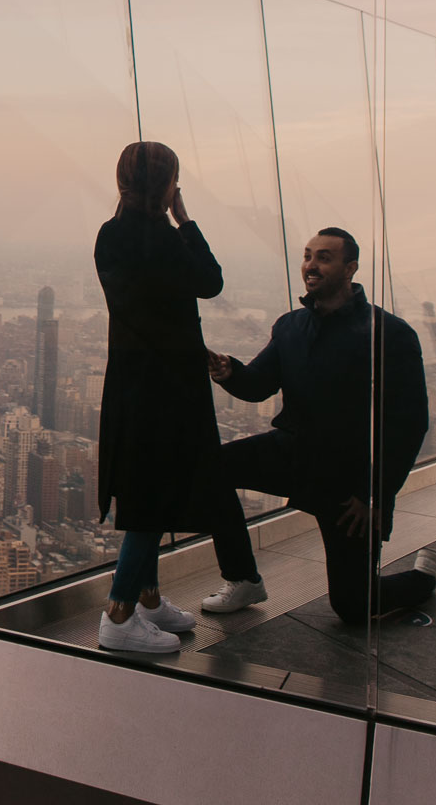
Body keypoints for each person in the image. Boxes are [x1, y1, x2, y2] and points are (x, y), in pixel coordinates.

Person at [200, 228, 436, 625]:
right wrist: (229, 371)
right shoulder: (291, 326)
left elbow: (409, 424)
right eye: (308, 255)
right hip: (294, 453)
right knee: (212, 468)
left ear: (351, 268)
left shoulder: (390, 335)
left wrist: (374, 495)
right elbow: (260, 384)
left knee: (353, 605)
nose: (311, 265)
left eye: (324, 257)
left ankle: (423, 578)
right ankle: (243, 578)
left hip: (349, 482)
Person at [93, 141, 261, 652]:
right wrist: (184, 219)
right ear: (166, 185)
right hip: (167, 390)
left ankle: (148, 600)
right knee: (152, 497)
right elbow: (210, 281)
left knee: (151, 491)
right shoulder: (162, 239)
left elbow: (150, 309)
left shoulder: (110, 234)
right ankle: (120, 617)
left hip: (131, 382)